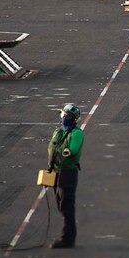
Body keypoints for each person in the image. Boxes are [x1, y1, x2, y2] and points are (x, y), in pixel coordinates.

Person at [47, 103, 85, 249]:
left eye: (67, 116)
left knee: (67, 205)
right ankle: (67, 236)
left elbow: (73, 149)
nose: (64, 118)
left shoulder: (77, 134)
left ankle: (67, 239)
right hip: (55, 171)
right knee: (60, 204)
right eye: (63, 115)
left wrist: (67, 152)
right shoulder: (59, 132)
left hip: (67, 173)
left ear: (73, 119)